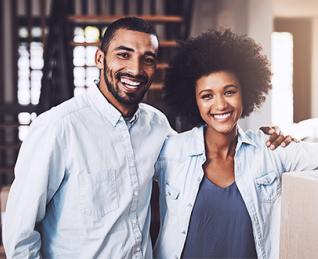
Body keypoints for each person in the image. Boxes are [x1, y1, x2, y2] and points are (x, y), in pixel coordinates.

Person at [3, 18, 290, 258]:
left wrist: (272, 139)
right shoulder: (58, 128)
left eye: (147, 59)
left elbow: (200, 155)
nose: (136, 69)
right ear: (100, 58)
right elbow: (20, 235)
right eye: (123, 54)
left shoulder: (157, 126)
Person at [153, 30, 318, 259]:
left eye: (229, 92)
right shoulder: (171, 151)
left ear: (246, 92)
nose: (220, 104)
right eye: (207, 96)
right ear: (194, 101)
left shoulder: (270, 151)